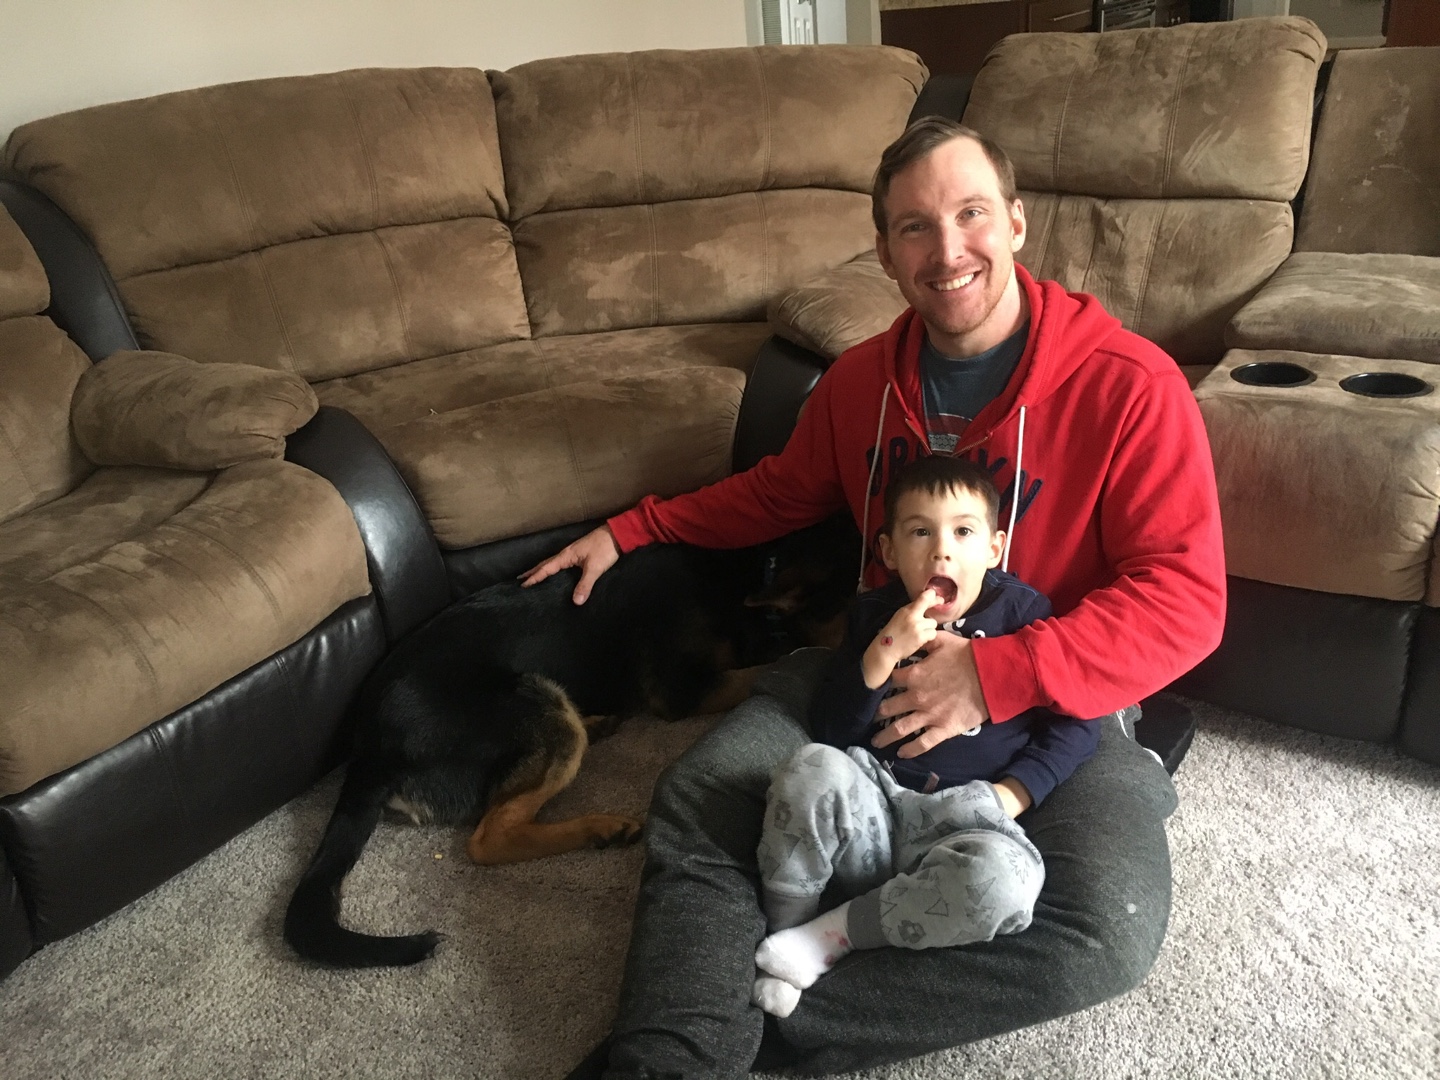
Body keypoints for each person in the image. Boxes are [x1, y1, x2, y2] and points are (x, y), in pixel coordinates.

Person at [526, 116, 1226, 1078]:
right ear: (887, 252)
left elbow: (1186, 599)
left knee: (1103, 934)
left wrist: (996, 673)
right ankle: (676, 1053)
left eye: (971, 214)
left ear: (1016, 223)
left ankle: (735, 1025)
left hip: (1058, 704)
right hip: (868, 666)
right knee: (699, 794)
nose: (948, 250)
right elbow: (776, 494)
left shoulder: (1133, 386)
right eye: (914, 227)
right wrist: (634, 527)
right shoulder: (861, 382)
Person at [751, 455, 1099, 1021]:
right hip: (874, 802)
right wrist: (884, 650)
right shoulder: (874, 615)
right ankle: (785, 932)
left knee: (1006, 885)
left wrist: (1012, 794)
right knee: (808, 767)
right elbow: (832, 731)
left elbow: (1079, 724)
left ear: (994, 548)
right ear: (889, 552)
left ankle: (829, 936)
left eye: (963, 532)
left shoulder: (1024, 615)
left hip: (968, 821)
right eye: (920, 532)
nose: (942, 552)